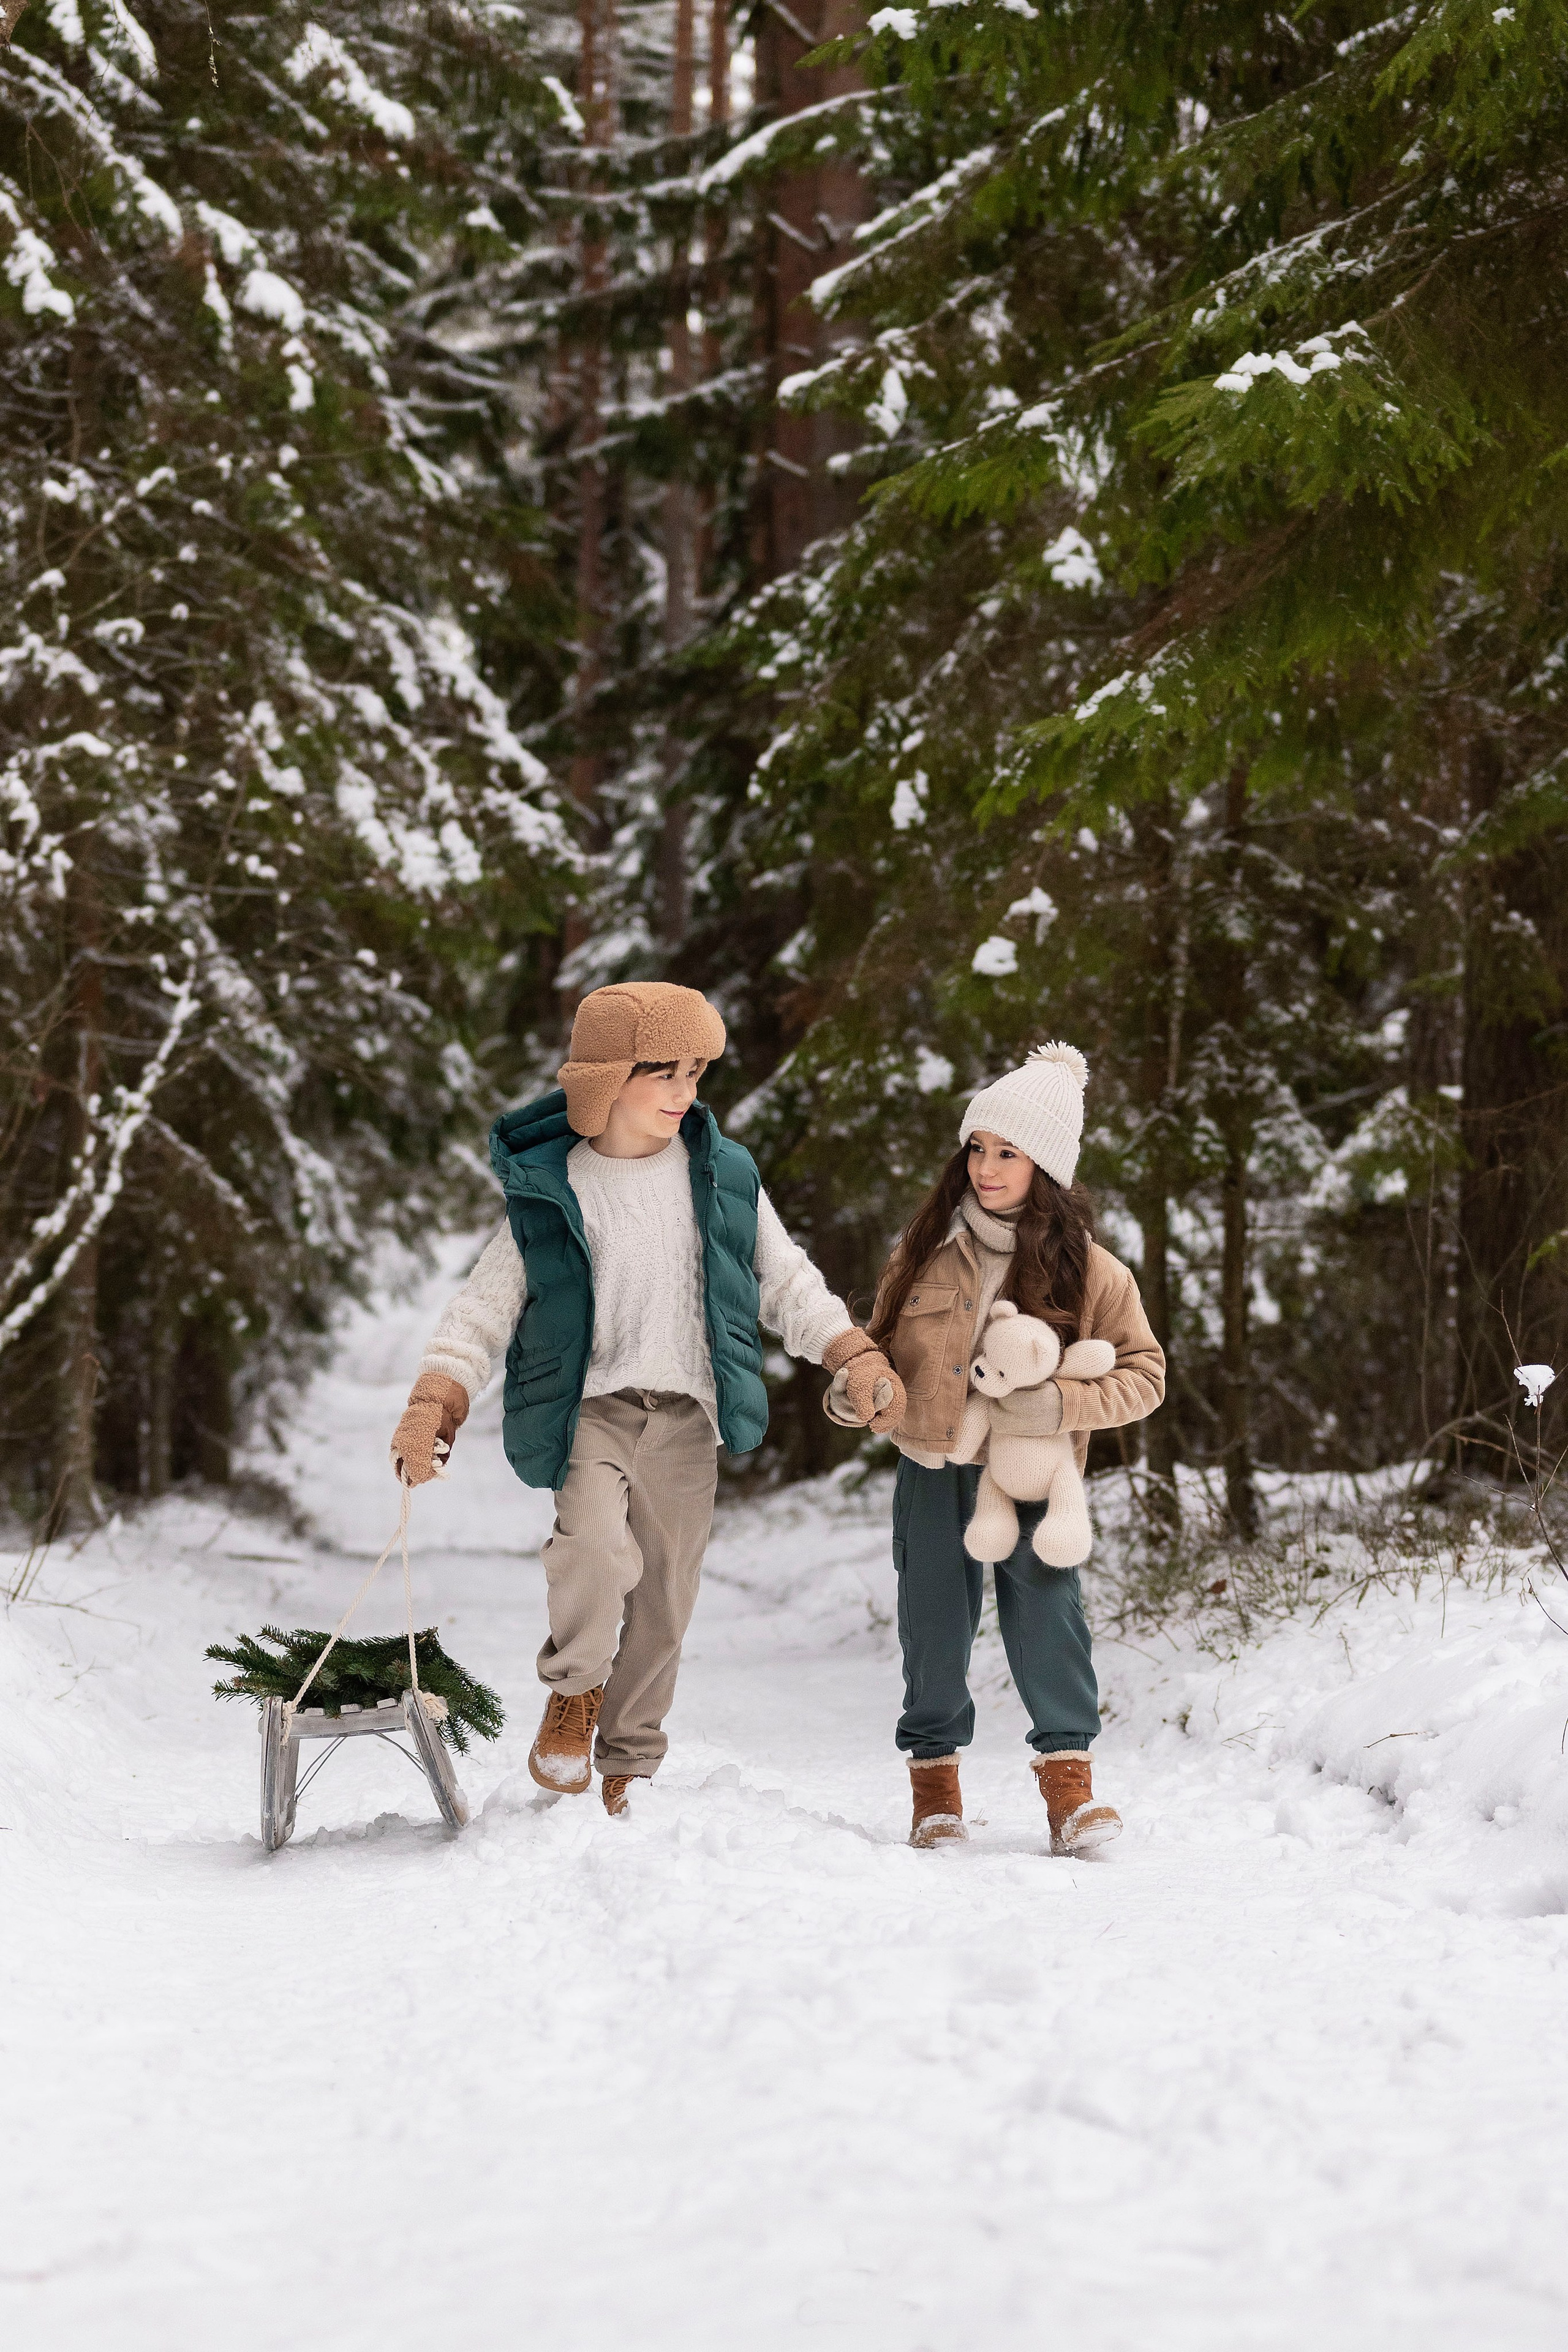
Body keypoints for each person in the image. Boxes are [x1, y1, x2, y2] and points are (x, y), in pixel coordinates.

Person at [390, 982, 905, 1815]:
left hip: (686, 1415)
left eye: (696, 1074)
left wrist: (851, 1352)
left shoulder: (721, 1175)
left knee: (665, 1598)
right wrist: (435, 1403)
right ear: (604, 1079)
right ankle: (573, 1694)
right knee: (594, 1551)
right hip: (589, 1407)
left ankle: (630, 1760)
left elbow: (788, 1283)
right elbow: (482, 1308)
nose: (684, 1094)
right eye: (662, 1073)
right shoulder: (556, 1187)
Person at [835, 1044, 1164, 1855]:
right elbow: (870, 1349)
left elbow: (1146, 1374)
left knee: (1050, 1620)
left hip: (1033, 1475)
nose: (986, 1167)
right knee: (934, 1629)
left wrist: (1065, 1402)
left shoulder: (1096, 1272)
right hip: (930, 1469)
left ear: (1043, 1164)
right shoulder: (924, 1250)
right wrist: (853, 1392)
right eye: (977, 1148)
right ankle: (936, 1794)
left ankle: (1070, 1795)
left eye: (1007, 1153)